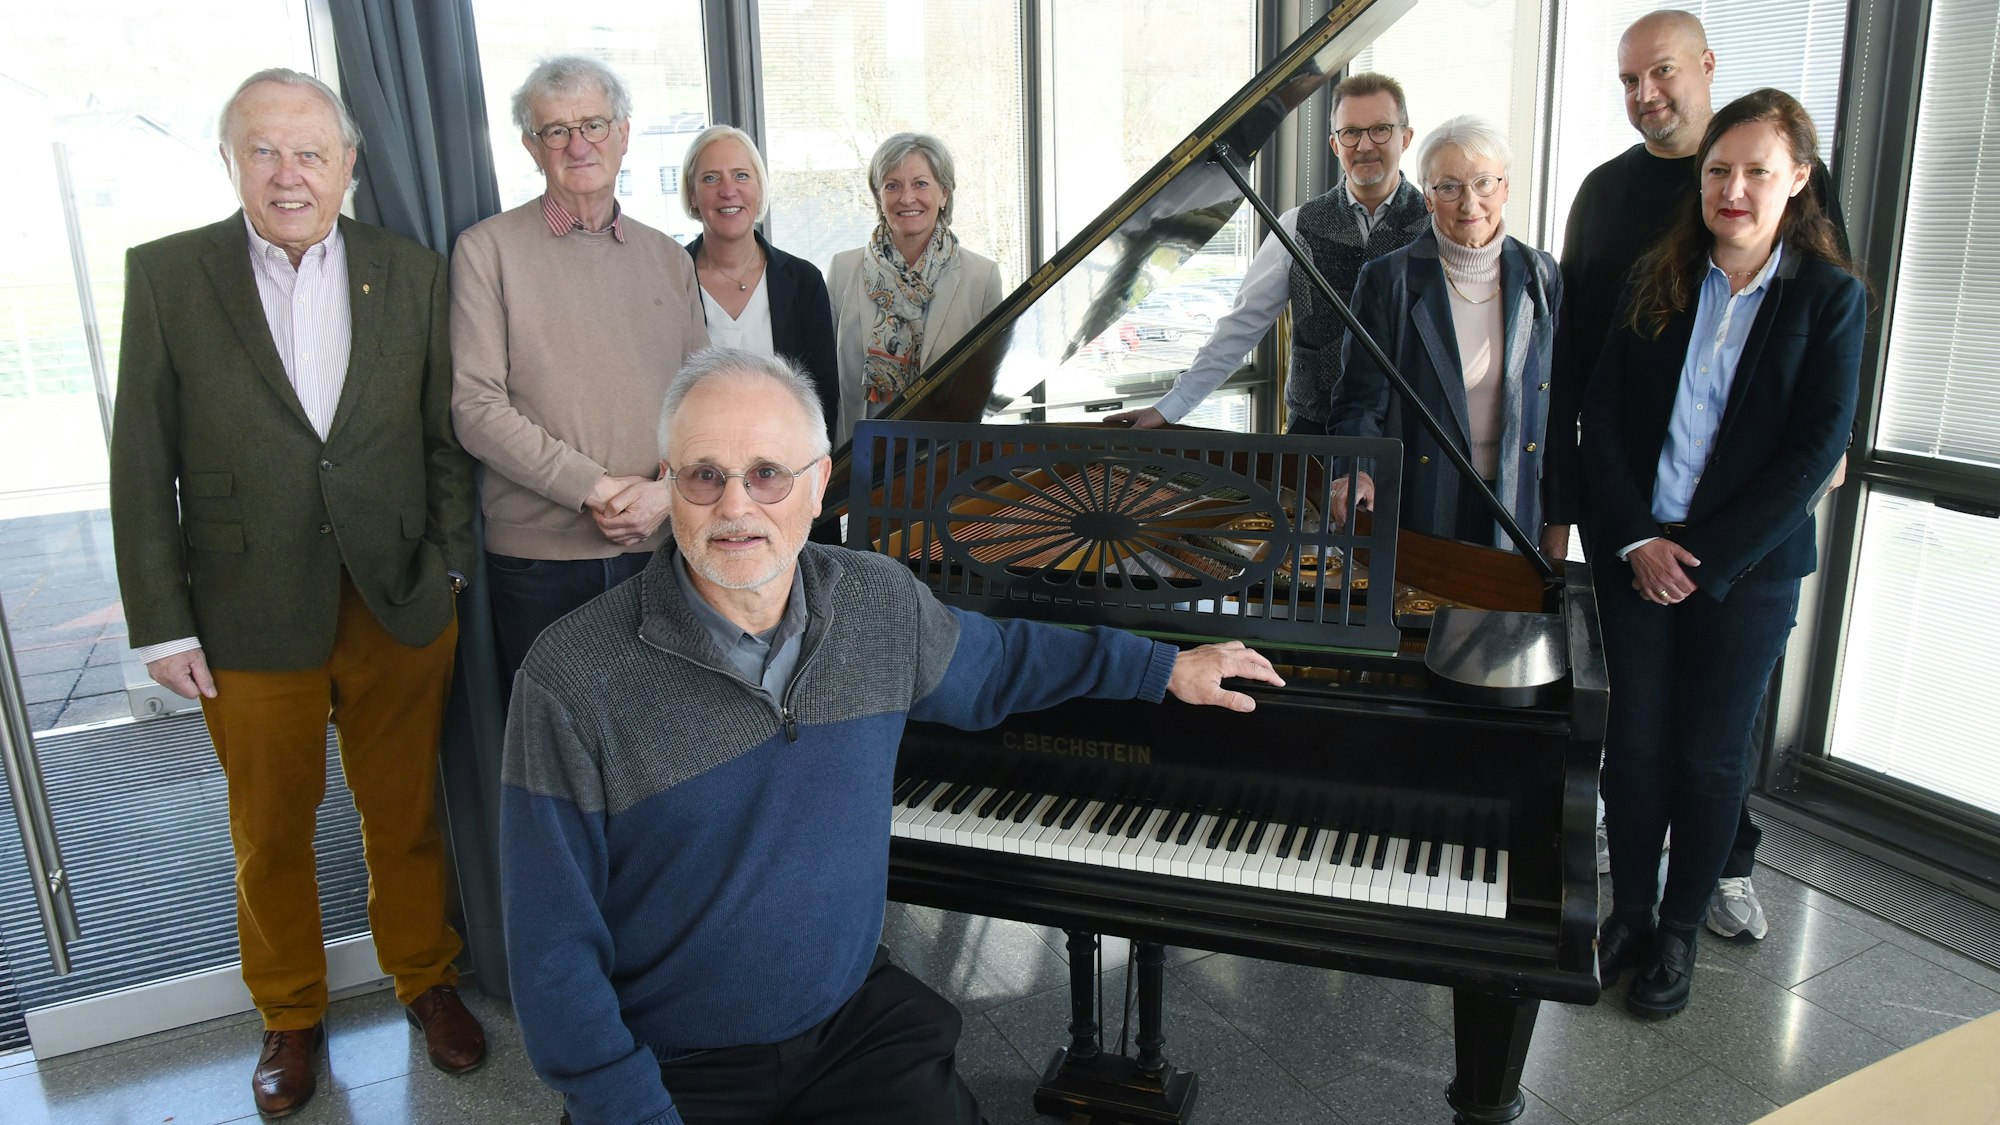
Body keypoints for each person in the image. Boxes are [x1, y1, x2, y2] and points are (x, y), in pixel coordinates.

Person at [500, 346, 1283, 1125]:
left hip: (850, 1026)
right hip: (675, 1063)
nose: (735, 507)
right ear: (668, 485)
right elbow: (551, 951)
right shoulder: (570, 678)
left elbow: (1004, 661)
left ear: (817, 488)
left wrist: (1161, 667)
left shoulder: (880, 603)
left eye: (768, 473)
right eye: (705, 475)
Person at [108, 68, 485, 1117]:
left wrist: (449, 566)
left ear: (348, 166)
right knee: (269, 830)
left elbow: (440, 437)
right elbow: (140, 462)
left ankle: (427, 980)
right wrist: (161, 623)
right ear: (230, 161)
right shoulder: (170, 277)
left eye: (310, 152)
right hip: (241, 611)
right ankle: (288, 1012)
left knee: (402, 815)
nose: (288, 174)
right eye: (264, 151)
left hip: (398, 597)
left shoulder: (408, 272)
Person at [1546, 9, 1843, 938]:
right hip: (1635, 522)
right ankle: (1634, 902)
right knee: (1633, 742)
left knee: (1716, 750)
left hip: (1742, 550)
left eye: (1663, 72)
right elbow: (1582, 373)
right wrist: (1597, 517)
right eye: (1629, 79)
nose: (1646, 94)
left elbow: (1818, 409)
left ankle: (1705, 887)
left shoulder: (1812, 255)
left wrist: (1709, 550)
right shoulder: (1623, 220)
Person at [451, 56, 708, 692]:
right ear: (530, 148)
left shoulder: (669, 258)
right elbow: (475, 409)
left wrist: (665, 491)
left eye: (593, 124)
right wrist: (593, 488)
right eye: (555, 130)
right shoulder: (486, 250)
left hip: (662, 546)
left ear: (623, 134)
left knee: (668, 742)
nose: (578, 143)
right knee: (555, 757)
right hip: (540, 561)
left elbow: (703, 404)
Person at [1108, 72, 1430, 435]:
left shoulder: (1437, 229)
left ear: (1406, 137)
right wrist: (1169, 408)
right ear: (1334, 144)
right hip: (1313, 439)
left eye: (1380, 129)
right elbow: (1241, 326)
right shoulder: (1295, 226)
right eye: (1351, 132)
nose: (1365, 145)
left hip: (1411, 440)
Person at [1326, 116, 1563, 554]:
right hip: (1421, 498)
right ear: (1429, 199)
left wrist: (1561, 519)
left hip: (1516, 500)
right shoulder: (1388, 279)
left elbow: (1559, 407)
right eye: (1449, 187)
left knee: (1502, 620)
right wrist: (1355, 469)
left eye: (1484, 183)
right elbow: (1360, 399)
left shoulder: (1541, 274)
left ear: (1506, 188)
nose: (1470, 203)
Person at [828, 132, 1005, 447]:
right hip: (858, 463)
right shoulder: (843, 270)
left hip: (944, 465)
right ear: (879, 197)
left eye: (921, 183)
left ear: (944, 194)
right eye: (892, 185)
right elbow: (826, 381)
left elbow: (986, 386)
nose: (906, 198)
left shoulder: (982, 277)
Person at [680, 125, 839, 448]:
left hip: (785, 469)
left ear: (760, 188)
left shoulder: (804, 281)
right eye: (711, 178)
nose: (728, 191)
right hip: (695, 470)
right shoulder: (668, 280)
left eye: (741, 176)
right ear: (692, 195)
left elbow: (823, 399)